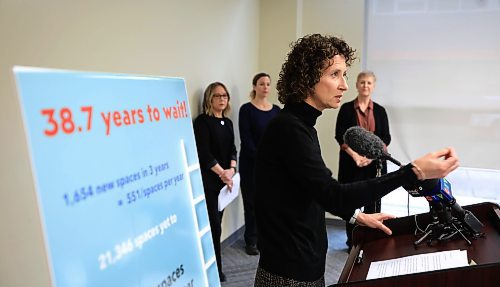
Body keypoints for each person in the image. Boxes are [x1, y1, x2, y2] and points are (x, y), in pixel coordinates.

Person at [253, 34, 459, 287]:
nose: (344, 86)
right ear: (307, 78)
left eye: (344, 75)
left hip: (303, 263)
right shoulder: (289, 129)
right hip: (287, 273)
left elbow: (314, 190)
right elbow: (332, 194)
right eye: (335, 74)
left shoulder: (302, 126)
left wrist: (355, 216)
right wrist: (412, 172)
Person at [335, 71, 390, 252]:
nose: (365, 86)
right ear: (357, 85)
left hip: (374, 165)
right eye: (362, 82)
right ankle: (352, 242)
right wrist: (356, 156)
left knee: (372, 203)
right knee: (351, 202)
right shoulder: (345, 109)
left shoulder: (380, 111)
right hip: (352, 164)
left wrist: (370, 157)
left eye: (369, 83)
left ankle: (370, 241)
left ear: (373, 86)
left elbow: (385, 138)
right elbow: (340, 136)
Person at [193, 82, 237, 282]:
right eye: (217, 96)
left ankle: (214, 266)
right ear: (209, 99)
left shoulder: (227, 122)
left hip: (225, 184)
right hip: (210, 183)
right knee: (213, 227)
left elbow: (233, 149)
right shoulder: (203, 122)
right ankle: (215, 270)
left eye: (225, 95)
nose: (222, 99)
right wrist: (222, 173)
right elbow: (204, 154)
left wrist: (232, 169)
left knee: (217, 224)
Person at [238, 73, 281, 256]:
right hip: (250, 164)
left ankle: (265, 239)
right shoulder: (246, 110)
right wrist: (263, 158)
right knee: (251, 204)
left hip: (271, 167)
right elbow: (246, 138)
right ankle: (251, 241)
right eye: (261, 84)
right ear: (254, 86)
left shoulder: (277, 111)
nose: (265, 87)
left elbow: (279, 138)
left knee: (268, 204)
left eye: (268, 84)